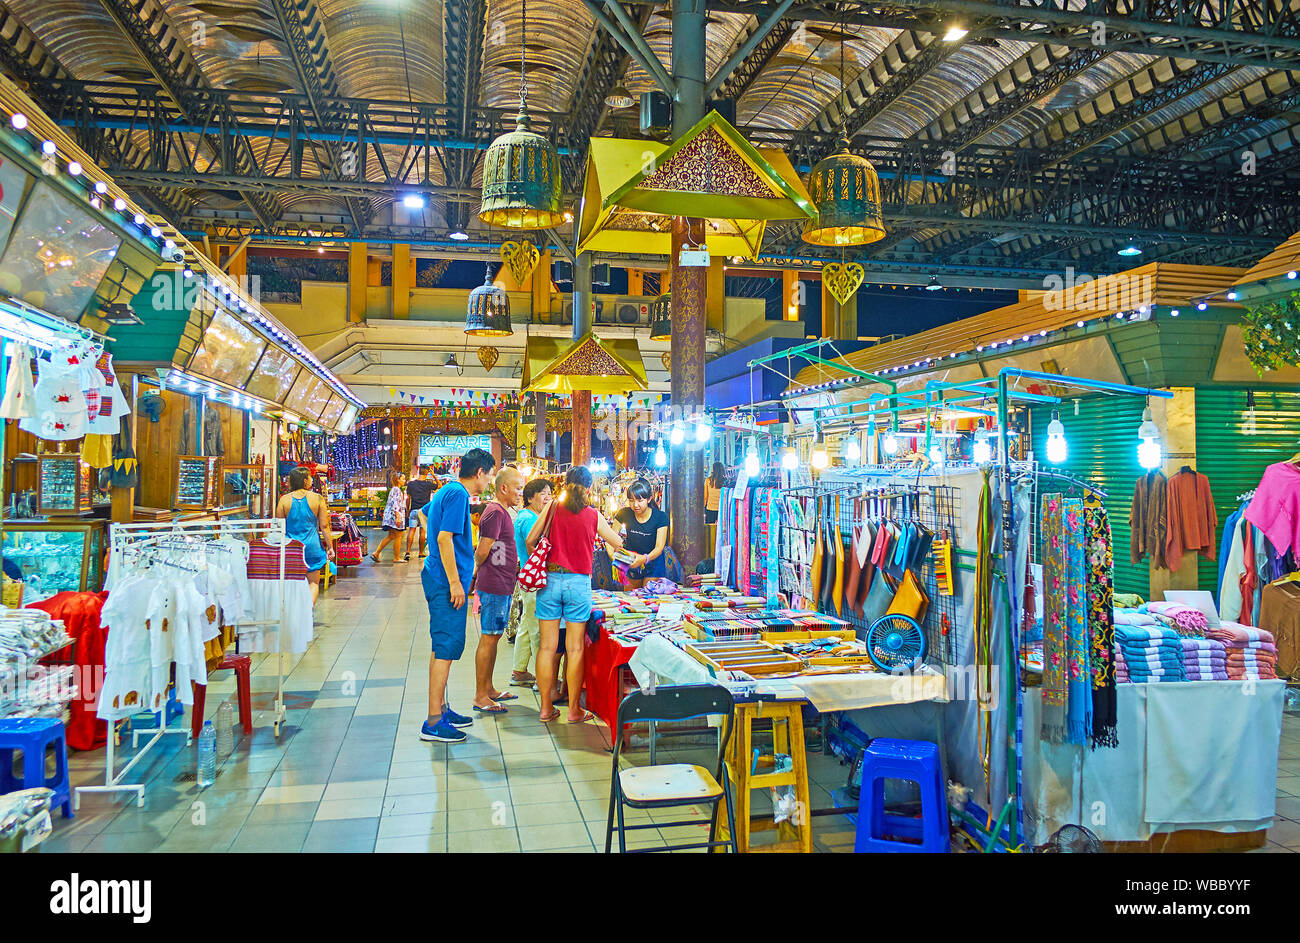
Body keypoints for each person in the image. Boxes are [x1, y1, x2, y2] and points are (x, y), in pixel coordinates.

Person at [527, 465, 626, 724]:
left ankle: (546, 709)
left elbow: (530, 539)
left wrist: (540, 560)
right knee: (575, 648)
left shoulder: (552, 508)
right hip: (578, 583)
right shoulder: (593, 515)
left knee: (547, 648)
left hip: (549, 580)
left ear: (565, 484)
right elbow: (617, 542)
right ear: (590, 487)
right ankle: (573, 710)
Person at [419, 447, 496, 743]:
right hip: (443, 581)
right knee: (446, 647)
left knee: (444, 646)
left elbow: (425, 517)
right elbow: (443, 538)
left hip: (437, 574)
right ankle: (433, 721)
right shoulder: (459, 495)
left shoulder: (446, 490)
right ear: (479, 473)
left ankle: (442, 708)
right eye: (488, 475)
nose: (488, 481)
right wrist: (454, 581)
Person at [470, 466, 523, 713]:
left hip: (501, 583)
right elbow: (482, 551)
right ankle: (481, 696)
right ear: (503, 488)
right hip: (493, 585)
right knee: (489, 638)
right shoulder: (494, 513)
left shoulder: (501, 512)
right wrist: (475, 574)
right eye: (518, 488)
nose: (520, 493)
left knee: (494, 637)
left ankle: (489, 689)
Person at [510, 477, 553, 687]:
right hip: (535, 580)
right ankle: (542, 678)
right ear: (530, 497)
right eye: (543, 493)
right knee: (537, 629)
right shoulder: (528, 518)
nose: (547, 497)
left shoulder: (528, 515)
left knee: (527, 626)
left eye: (549, 493)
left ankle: (519, 671)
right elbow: (535, 547)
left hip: (528, 580)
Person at [275, 467, 334, 607]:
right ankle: (306, 612)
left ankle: (295, 613)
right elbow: (324, 526)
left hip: (291, 549)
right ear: (305, 480)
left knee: (293, 585)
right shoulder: (317, 499)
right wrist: (330, 547)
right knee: (313, 583)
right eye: (310, 477)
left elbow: (278, 528)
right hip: (312, 548)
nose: (312, 480)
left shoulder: (284, 500)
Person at [615, 478, 669, 589]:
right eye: (631, 500)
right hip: (632, 560)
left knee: (649, 598)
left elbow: (659, 547)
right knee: (630, 598)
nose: (635, 505)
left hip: (653, 561)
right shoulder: (623, 513)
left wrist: (644, 559)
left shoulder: (661, 517)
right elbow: (611, 539)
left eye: (640, 501)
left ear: (649, 499)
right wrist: (617, 558)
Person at [370, 473, 408, 563]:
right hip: (394, 517)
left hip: (390, 516)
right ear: (398, 480)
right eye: (403, 479)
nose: (404, 480)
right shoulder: (397, 490)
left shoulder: (393, 489)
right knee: (398, 536)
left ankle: (376, 553)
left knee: (391, 536)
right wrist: (398, 517)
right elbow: (396, 504)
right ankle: (397, 557)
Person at [404, 467, 435, 558]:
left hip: (414, 510)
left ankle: (407, 552)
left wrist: (408, 509)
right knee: (422, 532)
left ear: (418, 472)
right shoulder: (428, 484)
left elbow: (408, 498)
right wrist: (433, 475)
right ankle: (421, 553)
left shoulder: (411, 484)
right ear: (427, 473)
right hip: (424, 511)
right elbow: (440, 485)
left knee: (411, 530)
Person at [705, 462, 724, 527]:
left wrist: (703, 507)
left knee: (710, 529)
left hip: (710, 508)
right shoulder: (724, 481)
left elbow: (705, 496)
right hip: (721, 509)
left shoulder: (708, 480)